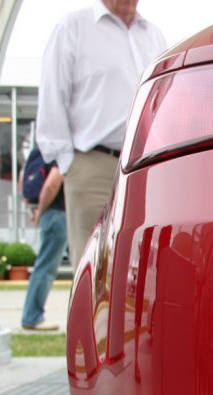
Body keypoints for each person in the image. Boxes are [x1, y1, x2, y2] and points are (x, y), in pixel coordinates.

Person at [35, 0, 166, 269]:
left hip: (145, 164)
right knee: (93, 268)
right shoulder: (74, 28)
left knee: (141, 267)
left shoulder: (153, 35)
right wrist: (67, 163)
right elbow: (52, 96)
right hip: (92, 164)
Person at [21, 158, 68, 331]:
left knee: (44, 266)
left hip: (51, 215)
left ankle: (31, 314)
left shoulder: (41, 156)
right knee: (46, 267)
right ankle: (32, 316)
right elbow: (51, 185)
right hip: (57, 215)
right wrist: (40, 211)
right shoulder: (58, 156)